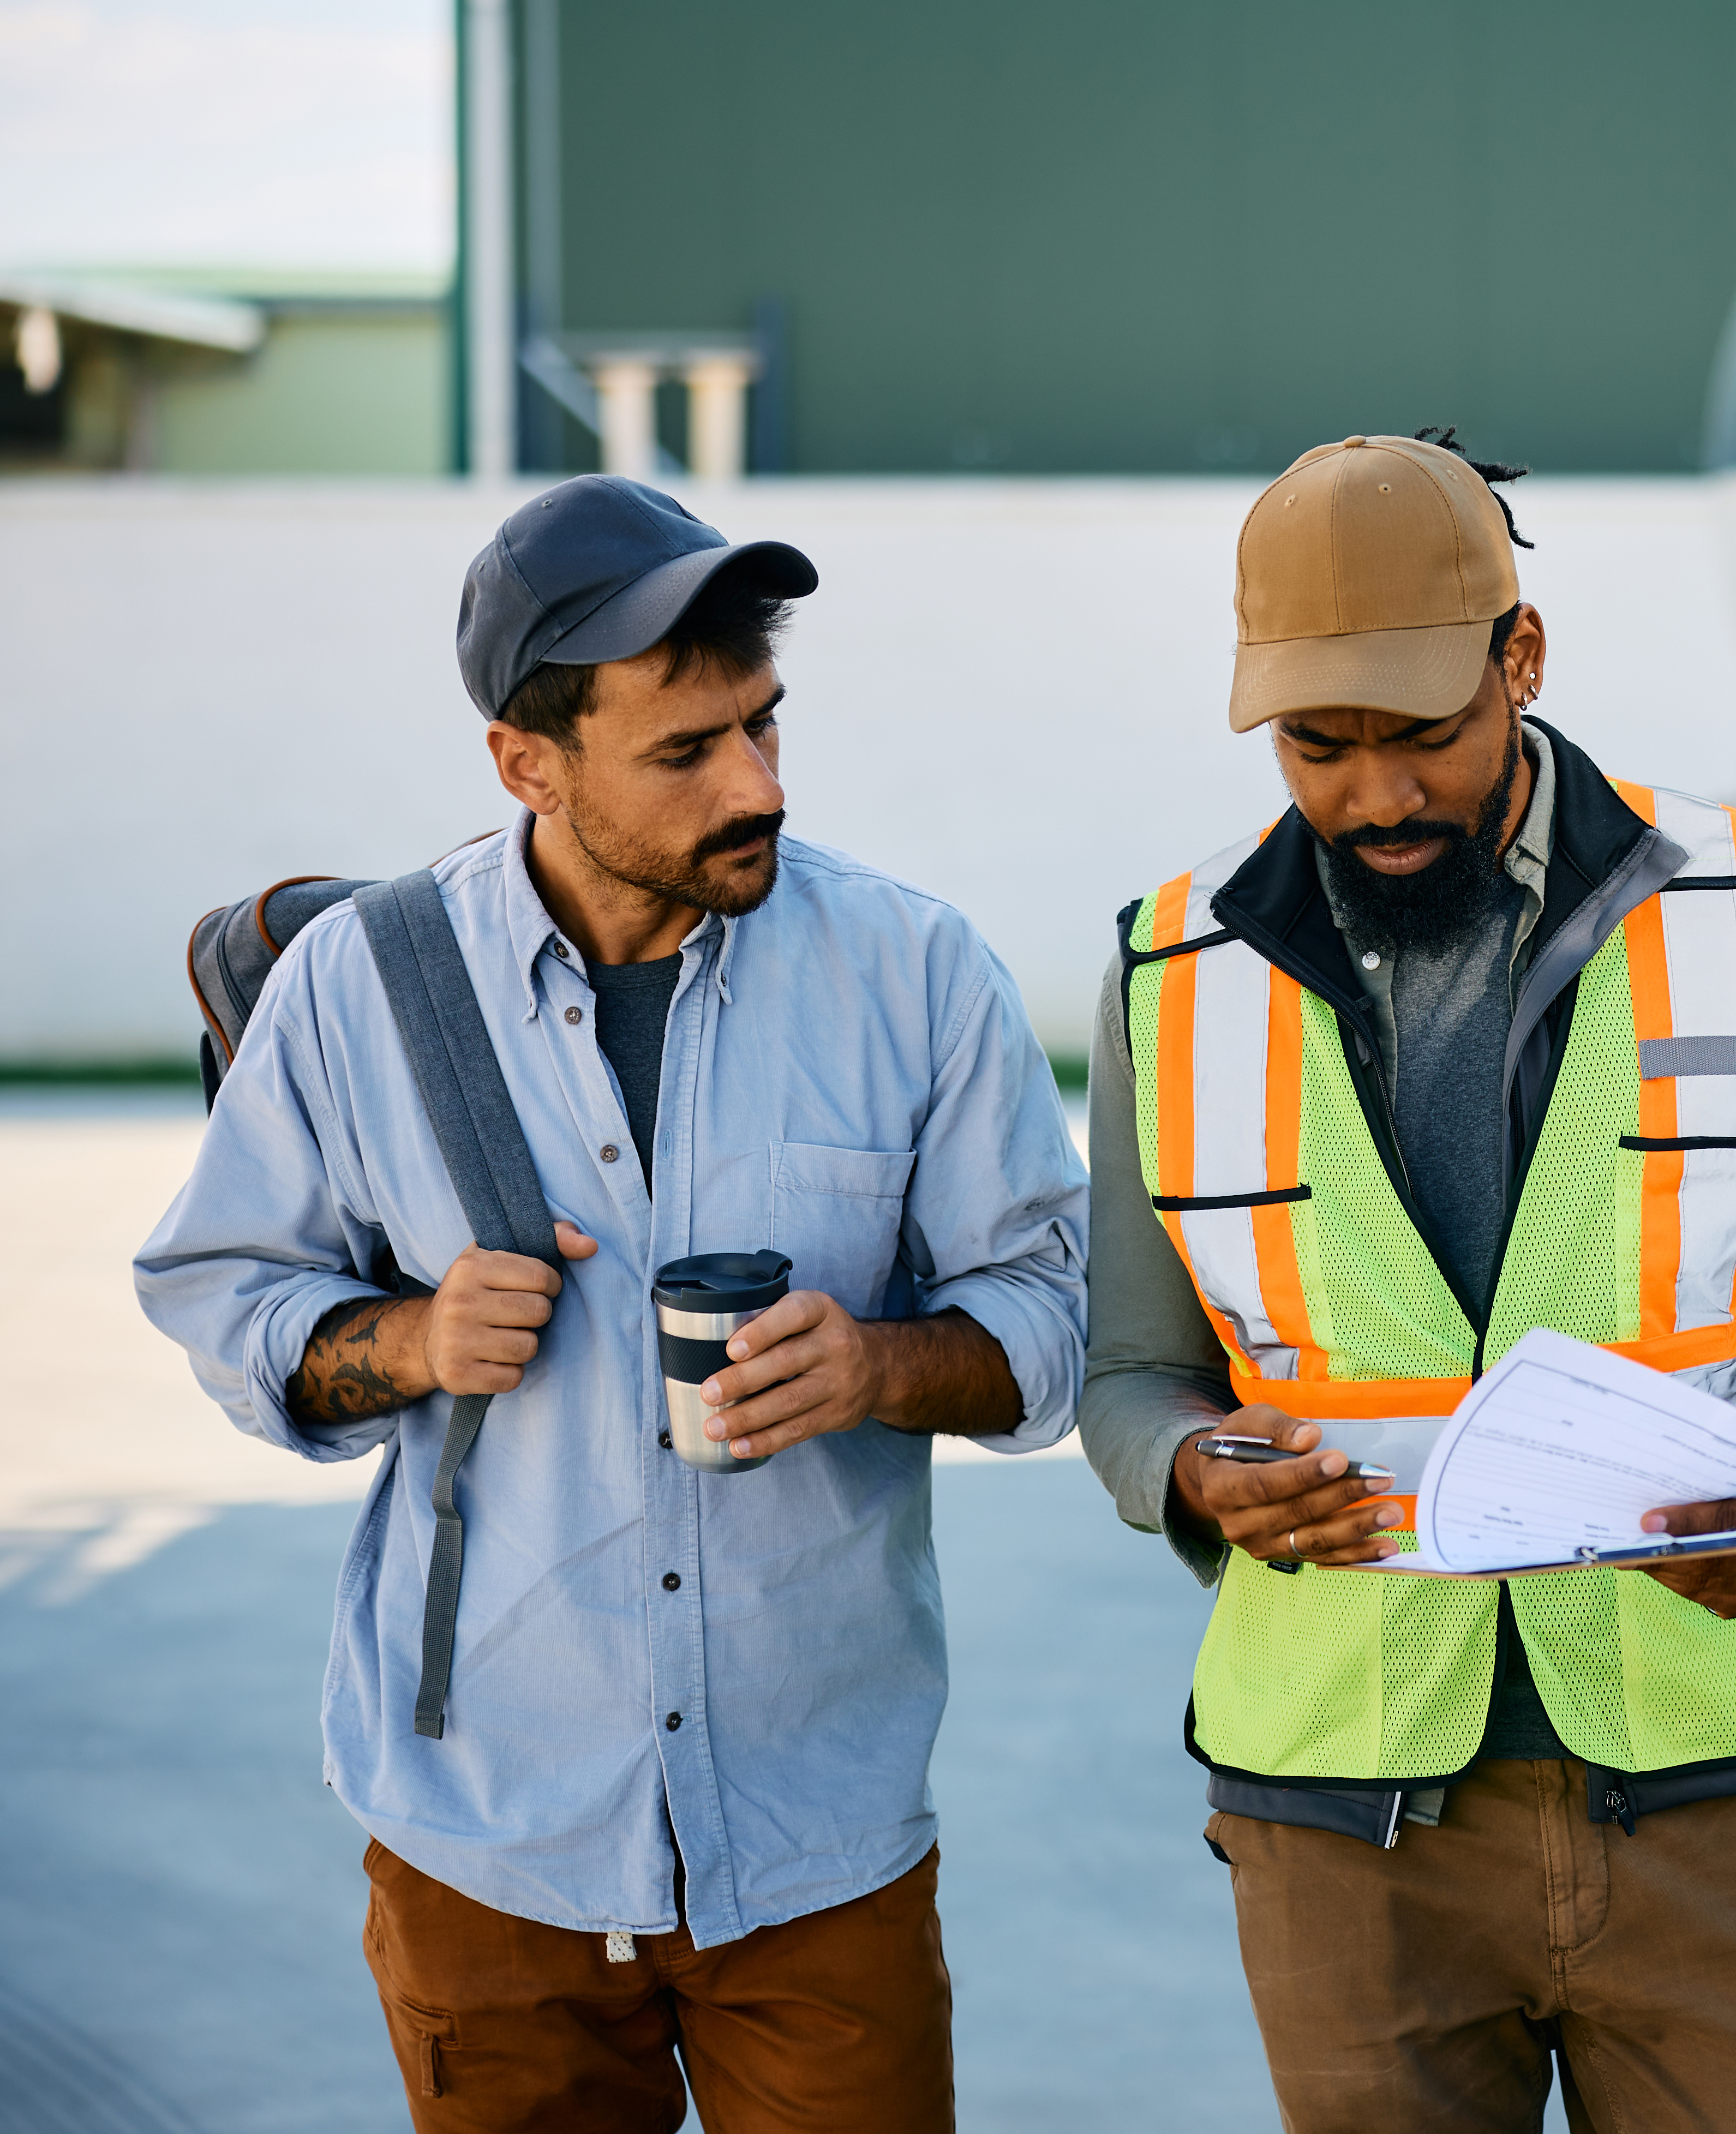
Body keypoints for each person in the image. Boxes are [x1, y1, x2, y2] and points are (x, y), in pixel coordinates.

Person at [134, 475, 1087, 2132]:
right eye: (687, 751)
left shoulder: (914, 971)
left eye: (765, 728)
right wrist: (409, 1342)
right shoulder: (361, 985)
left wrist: (877, 1364)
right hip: (486, 1841)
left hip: (818, 1846)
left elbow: (1055, 1320)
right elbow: (226, 1288)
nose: (757, 787)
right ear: (527, 762)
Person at [1079, 431, 1736, 2132]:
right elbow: (1128, 1373)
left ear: (1523, 658)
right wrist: (1193, 1474)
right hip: (1346, 1821)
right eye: (1316, 748)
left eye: (1423, 737)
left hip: (1717, 1794)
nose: (1374, 797)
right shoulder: (1168, 976)